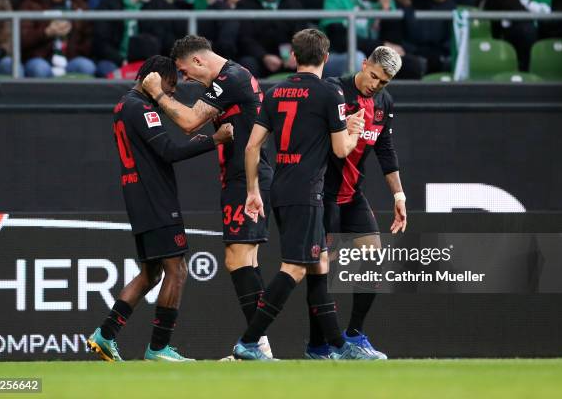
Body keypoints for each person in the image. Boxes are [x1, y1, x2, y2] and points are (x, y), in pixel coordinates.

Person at [233, 28, 378, 360]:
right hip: (307, 190)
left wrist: (252, 190)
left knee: (318, 264)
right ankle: (250, 340)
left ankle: (333, 348)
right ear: (326, 58)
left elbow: (253, 145)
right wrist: (354, 132)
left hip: (281, 188)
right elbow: (341, 151)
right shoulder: (330, 93)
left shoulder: (274, 92)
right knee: (296, 267)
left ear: (294, 57)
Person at [86, 55, 234, 362]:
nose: (172, 93)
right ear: (154, 79)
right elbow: (168, 150)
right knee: (177, 270)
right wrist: (214, 139)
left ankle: (105, 334)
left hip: (138, 195)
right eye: (170, 85)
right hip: (155, 198)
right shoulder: (141, 107)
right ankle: (158, 347)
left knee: (151, 273)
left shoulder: (123, 105)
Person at [141, 35, 275, 358]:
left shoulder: (230, 79)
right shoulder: (231, 79)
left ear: (199, 61)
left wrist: (157, 92)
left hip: (246, 178)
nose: (186, 79)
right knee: (248, 261)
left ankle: (255, 345)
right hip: (244, 175)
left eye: (186, 72)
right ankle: (260, 347)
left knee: (237, 259)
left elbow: (188, 122)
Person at [304, 46, 406, 360]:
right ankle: (318, 346)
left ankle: (355, 335)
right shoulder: (334, 90)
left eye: (383, 81)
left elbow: (386, 150)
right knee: (323, 273)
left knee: (373, 262)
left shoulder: (383, 103)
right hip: (324, 194)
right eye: (373, 75)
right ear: (364, 64)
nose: (375, 84)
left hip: (353, 195)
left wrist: (399, 196)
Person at [19, 0, 95, 78]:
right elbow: (22, 39)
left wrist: (75, 47)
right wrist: (46, 32)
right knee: (40, 68)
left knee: (86, 66)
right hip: (39, 59)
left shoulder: (78, 3)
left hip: (70, 59)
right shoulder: (31, 4)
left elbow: (88, 37)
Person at [235, 0, 306, 78]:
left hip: (291, 59)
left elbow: (302, 33)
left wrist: (296, 53)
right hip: (259, 60)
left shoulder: (293, 3)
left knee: (310, 61)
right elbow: (244, 38)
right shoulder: (244, 4)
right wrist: (263, 56)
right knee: (247, 63)